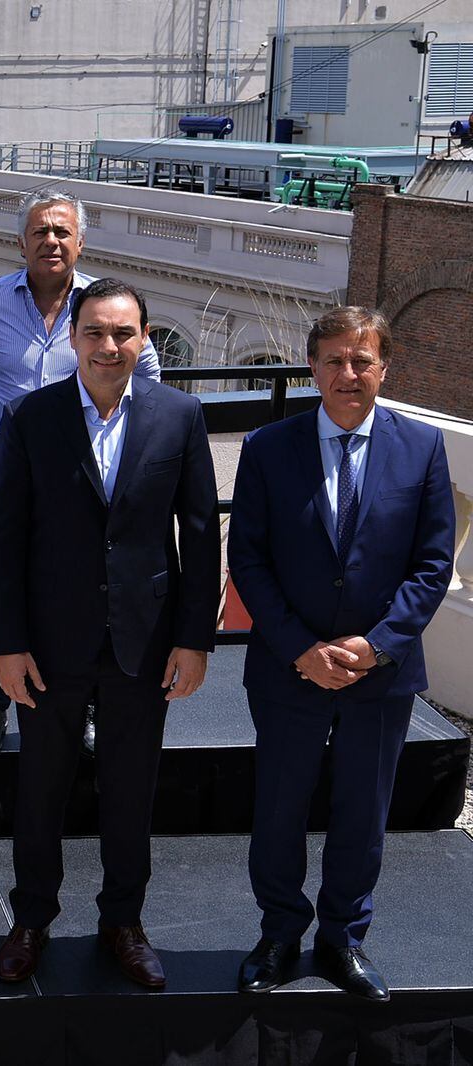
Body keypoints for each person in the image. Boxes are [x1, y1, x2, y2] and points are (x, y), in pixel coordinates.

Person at [0, 278, 218, 991]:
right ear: (74, 339)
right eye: (95, 333)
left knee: (129, 791)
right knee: (40, 788)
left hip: (144, 643)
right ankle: (31, 919)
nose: (108, 346)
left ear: (144, 340)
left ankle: (124, 920)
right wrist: (7, 640)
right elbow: (3, 535)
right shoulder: (30, 416)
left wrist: (194, 639)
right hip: (49, 643)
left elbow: (201, 535)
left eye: (123, 334)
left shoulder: (180, 417)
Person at [229, 307, 454, 1002]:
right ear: (312, 367)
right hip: (288, 670)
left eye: (362, 361)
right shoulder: (270, 447)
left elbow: (432, 562)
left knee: (363, 814)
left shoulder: (420, 448)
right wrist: (301, 649)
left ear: (385, 368)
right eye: (333, 360)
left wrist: (375, 645)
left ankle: (343, 940)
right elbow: (249, 558)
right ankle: (278, 934)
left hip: (377, 677)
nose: (347, 374)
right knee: (279, 810)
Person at [0, 191, 163, 760]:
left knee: (86, 585)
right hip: (9, 462)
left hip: (86, 468)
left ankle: (86, 705)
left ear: (81, 243)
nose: (52, 242)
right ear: (21, 242)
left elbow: (148, 372)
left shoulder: (102, 310)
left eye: (63, 233)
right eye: (40, 232)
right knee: (1, 579)